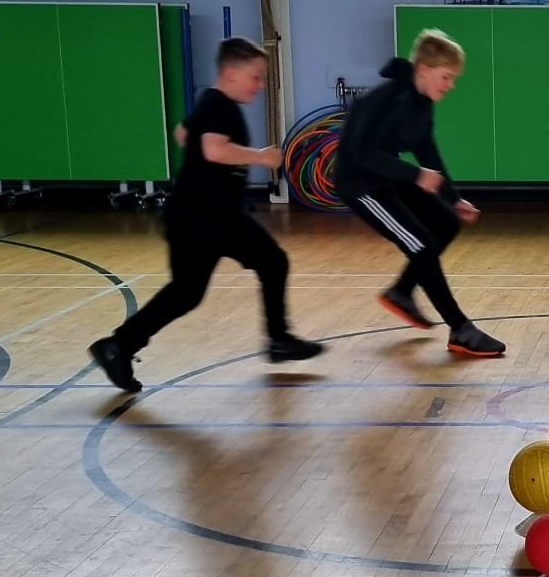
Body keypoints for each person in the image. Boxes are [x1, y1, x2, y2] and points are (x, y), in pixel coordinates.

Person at [88, 38, 324, 392]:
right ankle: (117, 346)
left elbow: (183, 133)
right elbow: (213, 150)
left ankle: (278, 339)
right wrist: (260, 157)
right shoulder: (217, 104)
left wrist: (201, 139)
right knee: (186, 293)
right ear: (230, 72)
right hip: (195, 217)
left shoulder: (214, 104)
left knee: (273, 261)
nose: (259, 85)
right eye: (255, 77)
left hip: (222, 215)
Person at [337, 29, 505, 358]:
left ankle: (402, 291)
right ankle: (461, 329)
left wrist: (452, 198)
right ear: (424, 70)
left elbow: (428, 151)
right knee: (421, 244)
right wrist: (415, 175)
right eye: (446, 77)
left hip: (389, 176)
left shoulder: (422, 102)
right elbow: (362, 153)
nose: (450, 85)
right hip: (361, 184)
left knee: (446, 224)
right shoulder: (385, 100)